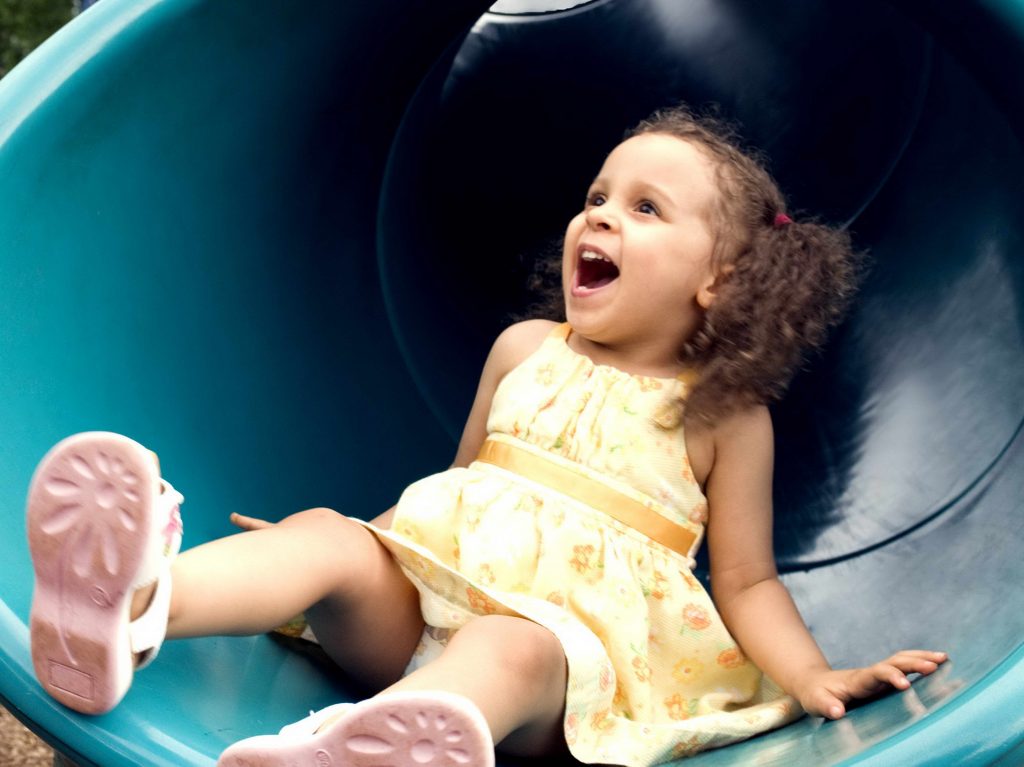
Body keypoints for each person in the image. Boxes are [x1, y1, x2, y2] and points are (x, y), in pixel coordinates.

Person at [26, 106, 947, 767]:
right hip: (425, 611)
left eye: (645, 208)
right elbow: (458, 488)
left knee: (512, 647)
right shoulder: (524, 349)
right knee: (327, 531)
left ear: (721, 279)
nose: (599, 214)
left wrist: (816, 676)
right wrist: (332, 553)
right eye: (597, 194)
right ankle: (132, 601)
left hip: (567, 674)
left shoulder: (727, 416)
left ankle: (379, 746)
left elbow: (746, 579)